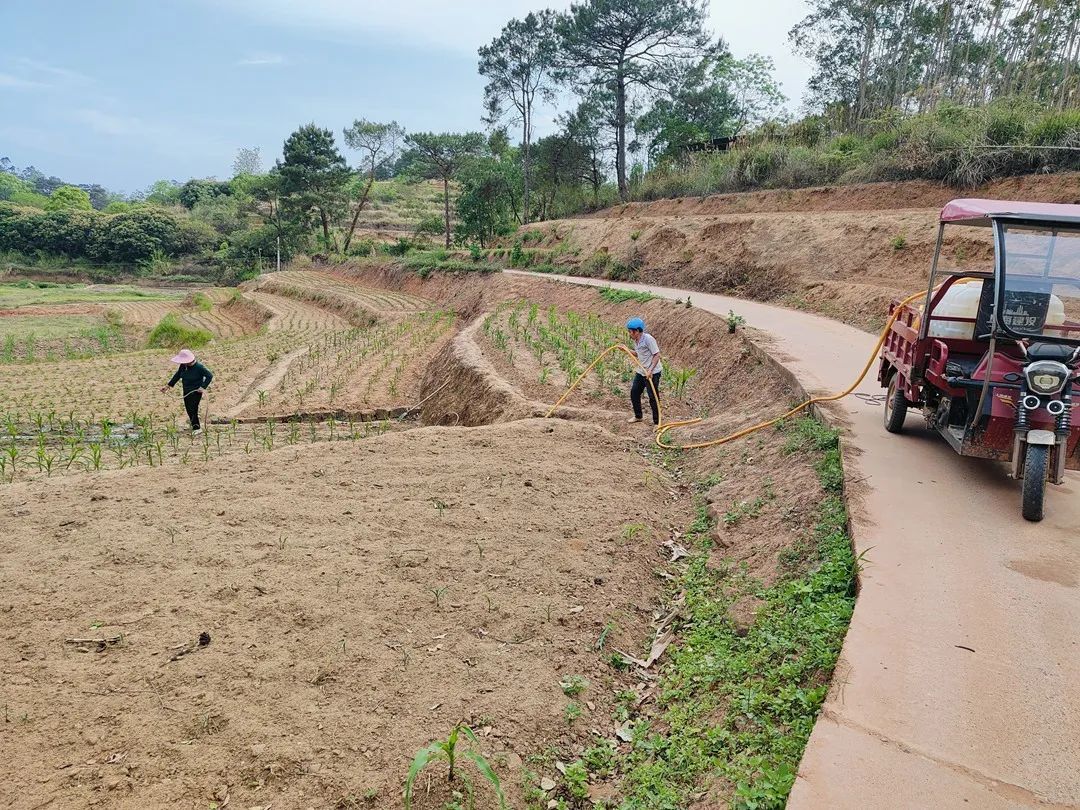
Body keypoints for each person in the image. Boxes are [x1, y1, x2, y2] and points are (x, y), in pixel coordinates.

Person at [161, 349, 213, 433]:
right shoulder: (183, 366)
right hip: (186, 390)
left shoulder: (199, 367)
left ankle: (197, 428)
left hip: (195, 391)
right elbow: (177, 376)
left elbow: (209, 376)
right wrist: (168, 386)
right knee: (188, 408)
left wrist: (203, 387)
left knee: (193, 408)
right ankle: (194, 426)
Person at [626, 317, 662, 425]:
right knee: (634, 393)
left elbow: (657, 355)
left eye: (630, 331)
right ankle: (638, 416)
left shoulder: (648, 339)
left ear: (637, 331)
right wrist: (626, 350)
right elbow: (639, 354)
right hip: (641, 371)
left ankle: (657, 423)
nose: (629, 334)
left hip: (653, 373)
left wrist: (650, 370)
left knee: (653, 397)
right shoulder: (636, 340)